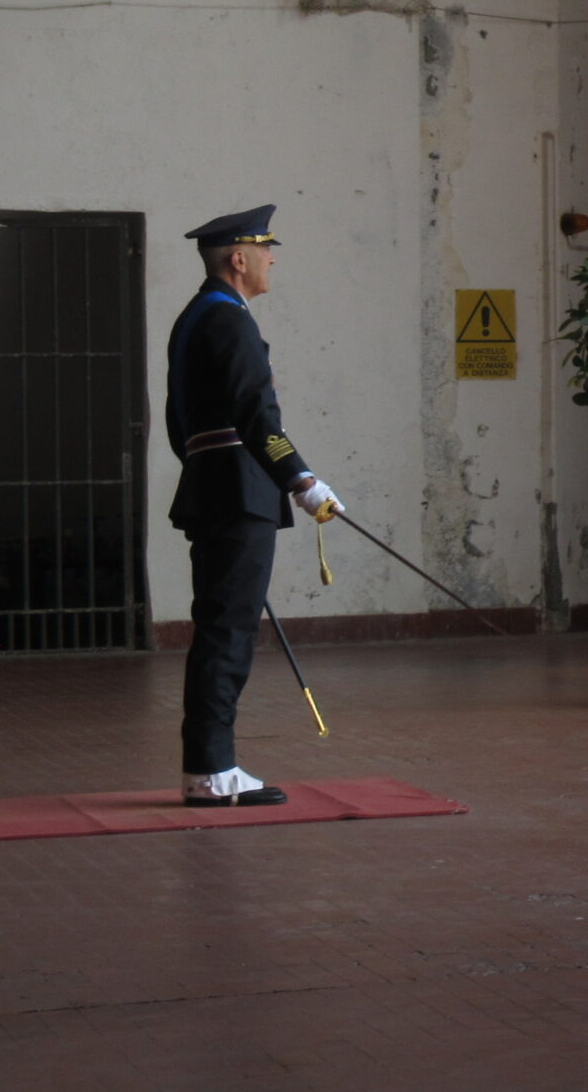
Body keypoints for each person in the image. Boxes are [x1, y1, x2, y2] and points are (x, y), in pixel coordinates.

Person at [165, 206, 341, 806]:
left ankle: (208, 768)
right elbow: (258, 416)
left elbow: (180, 423)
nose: (273, 260)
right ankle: (212, 773)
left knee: (221, 628)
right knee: (229, 634)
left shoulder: (198, 316)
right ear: (238, 259)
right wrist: (301, 480)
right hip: (240, 493)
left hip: (218, 487)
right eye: (266, 250)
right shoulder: (229, 319)